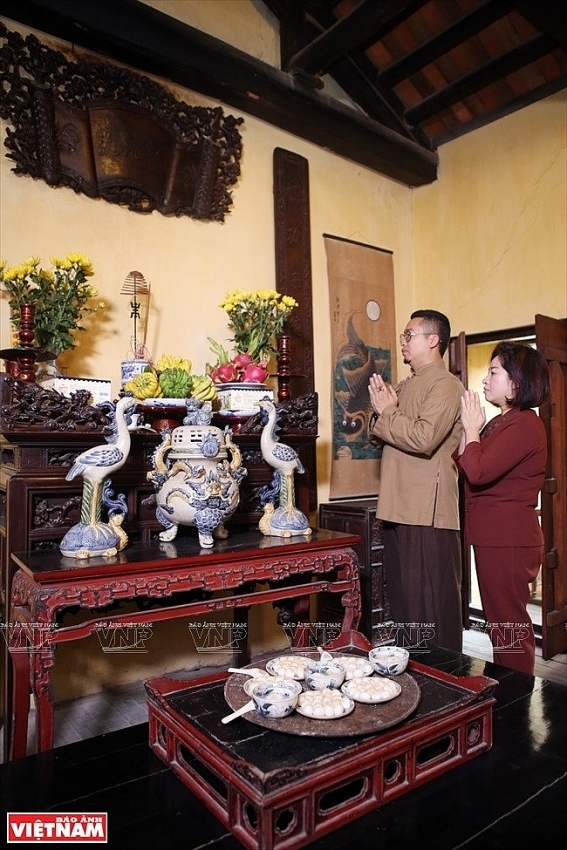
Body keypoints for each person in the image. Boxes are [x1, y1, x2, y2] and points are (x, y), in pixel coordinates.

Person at [368, 309, 464, 652]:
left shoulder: (446, 385)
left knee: (432, 604)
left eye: (410, 335)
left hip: (427, 510)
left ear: (433, 340)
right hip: (397, 505)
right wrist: (384, 410)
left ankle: (446, 679)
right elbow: (382, 435)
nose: (403, 342)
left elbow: (423, 439)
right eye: (403, 337)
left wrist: (388, 412)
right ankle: (417, 677)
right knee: (406, 603)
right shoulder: (408, 384)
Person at [456, 342, 550, 675]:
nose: (485, 380)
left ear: (517, 383)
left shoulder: (524, 425)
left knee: (510, 629)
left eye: (493, 372)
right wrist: (469, 429)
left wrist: (470, 430)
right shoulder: (501, 422)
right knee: (502, 625)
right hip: (495, 537)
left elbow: (478, 470)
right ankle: (508, 695)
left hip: (508, 539)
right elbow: (466, 461)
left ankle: (516, 701)